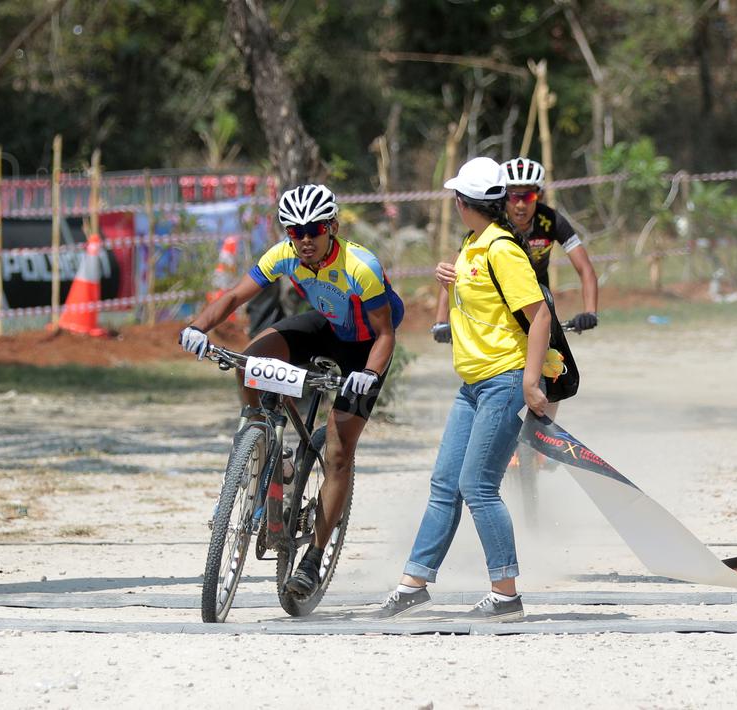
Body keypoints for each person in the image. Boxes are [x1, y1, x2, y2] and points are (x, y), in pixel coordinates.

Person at [179, 183, 404, 596]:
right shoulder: (283, 253)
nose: (304, 240)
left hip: (366, 345)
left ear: (332, 227)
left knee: (338, 452)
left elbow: (386, 334)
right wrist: (198, 327)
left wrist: (370, 373)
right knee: (248, 362)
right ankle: (263, 439)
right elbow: (235, 295)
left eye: (314, 230)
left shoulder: (361, 265)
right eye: (295, 231)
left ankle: (313, 560)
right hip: (327, 325)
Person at [375, 157, 551, 621]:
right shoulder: (473, 244)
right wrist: (449, 281)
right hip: (473, 384)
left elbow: (540, 317)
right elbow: (478, 298)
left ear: (462, 202)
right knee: (445, 484)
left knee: (478, 486)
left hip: (504, 381)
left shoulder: (502, 249)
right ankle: (413, 585)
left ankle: (506, 595)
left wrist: (530, 382)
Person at [431, 157, 598, 344]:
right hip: (499, 307)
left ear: (540, 196)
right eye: (513, 197)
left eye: (528, 197)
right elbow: (454, 270)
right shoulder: (493, 222)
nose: (520, 205)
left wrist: (590, 311)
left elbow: (585, 268)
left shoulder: (551, 220)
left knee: (551, 355)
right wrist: (441, 322)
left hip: (537, 301)